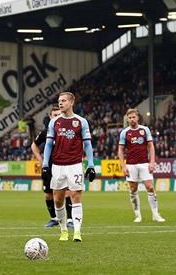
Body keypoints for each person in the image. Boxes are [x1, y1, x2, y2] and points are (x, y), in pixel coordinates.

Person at [42, 92, 96, 242]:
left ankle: (77, 232)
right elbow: (47, 145)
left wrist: (90, 165)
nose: (60, 103)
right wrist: (45, 164)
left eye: (64, 101)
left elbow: (87, 145)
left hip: (75, 165)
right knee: (58, 200)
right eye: (59, 101)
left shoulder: (81, 121)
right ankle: (63, 229)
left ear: (72, 102)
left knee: (76, 196)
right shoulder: (54, 123)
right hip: (58, 166)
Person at [118, 108, 165, 223]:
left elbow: (151, 146)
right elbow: (120, 149)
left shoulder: (145, 130)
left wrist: (152, 162)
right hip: (130, 164)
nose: (132, 119)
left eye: (134, 117)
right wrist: (123, 166)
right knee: (133, 189)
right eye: (129, 118)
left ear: (137, 118)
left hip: (144, 163)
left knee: (150, 187)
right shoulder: (125, 133)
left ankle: (155, 214)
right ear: (127, 119)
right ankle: (138, 215)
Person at [31, 106, 75, 228]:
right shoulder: (46, 132)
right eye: (54, 115)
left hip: (64, 166)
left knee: (67, 193)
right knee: (48, 195)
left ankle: (70, 219)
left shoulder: (67, 131)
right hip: (49, 167)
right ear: (50, 117)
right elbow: (34, 146)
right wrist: (40, 159)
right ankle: (54, 218)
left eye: (58, 114)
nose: (56, 117)